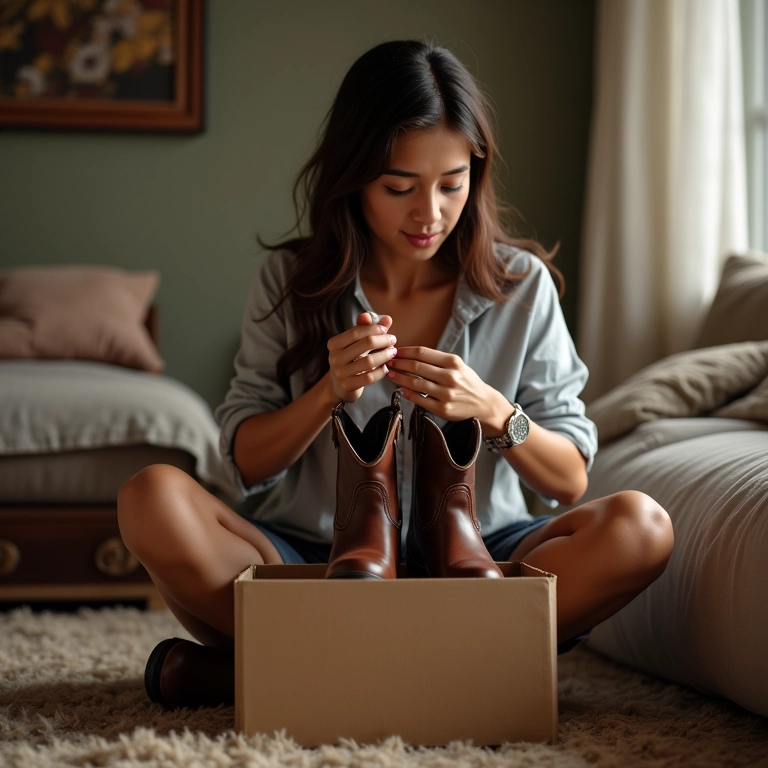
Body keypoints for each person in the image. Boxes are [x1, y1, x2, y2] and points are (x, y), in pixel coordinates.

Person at [117, 40, 674, 710]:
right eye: (400, 187)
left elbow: (569, 478)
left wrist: (496, 409)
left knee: (642, 527)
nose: (429, 214)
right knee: (150, 498)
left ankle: (281, 674)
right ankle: (448, 670)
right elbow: (245, 462)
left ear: (477, 171)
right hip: (316, 556)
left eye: (452, 184)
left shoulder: (520, 286)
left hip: (481, 558)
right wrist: (327, 393)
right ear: (354, 177)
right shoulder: (291, 284)